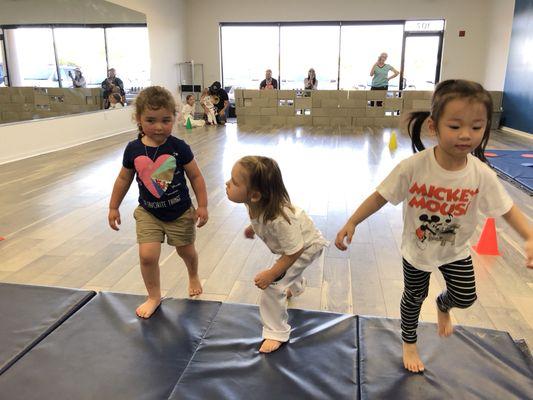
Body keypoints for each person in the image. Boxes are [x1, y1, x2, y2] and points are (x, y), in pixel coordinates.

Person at [335, 79, 533, 373]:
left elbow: (507, 208)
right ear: (433, 126)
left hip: (455, 250)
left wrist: (529, 235)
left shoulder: (481, 174)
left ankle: (443, 305)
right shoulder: (413, 167)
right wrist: (352, 221)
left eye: (476, 127)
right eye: (455, 126)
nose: (466, 135)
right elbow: (380, 197)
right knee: (414, 297)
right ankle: (409, 341)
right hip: (417, 249)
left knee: (465, 297)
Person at [108, 86, 209, 319]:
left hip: (180, 212)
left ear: (174, 118)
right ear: (138, 119)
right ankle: (154, 295)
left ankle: (193, 274)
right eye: (150, 120)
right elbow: (124, 178)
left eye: (166, 120)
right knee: (147, 256)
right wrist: (113, 206)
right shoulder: (133, 149)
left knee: (186, 252)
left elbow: (196, 176)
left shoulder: (178, 148)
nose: (159, 127)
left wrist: (202, 205)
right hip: (148, 212)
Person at [226, 156, 328, 353]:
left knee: (273, 285)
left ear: (254, 195)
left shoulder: (280, 220)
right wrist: (252, 227)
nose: (227, 183)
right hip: (292, 244)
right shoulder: (256, 203)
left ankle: (277, 332)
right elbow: (260, 218)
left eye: (234, 182)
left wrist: (272, 274)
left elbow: (295, 251)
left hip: (306, 246)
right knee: (284, 270)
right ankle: (296, 286)